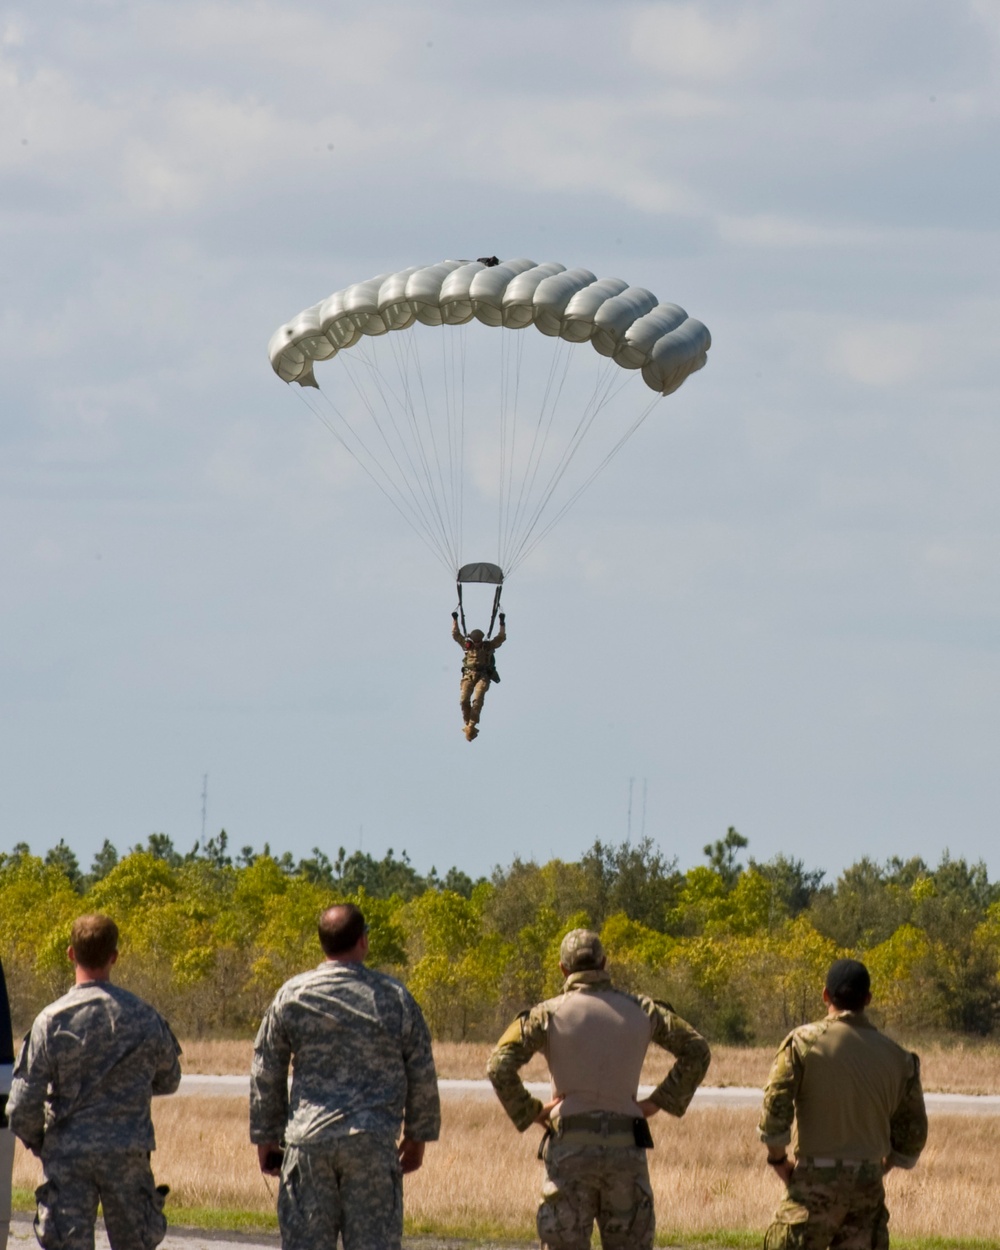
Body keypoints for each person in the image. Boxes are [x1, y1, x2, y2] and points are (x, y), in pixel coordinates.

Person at [487, 928, 711, 1250]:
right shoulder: (643, 1011)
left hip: (569, 1150)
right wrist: (657, 1101)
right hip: (626, 1148)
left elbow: (498, 1065)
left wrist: (533, 1112)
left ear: (563, 969)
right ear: (605, 962)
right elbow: (697, 1050)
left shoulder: (546, 1015)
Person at [250, 903, 440, 1250]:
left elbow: (266, 1068)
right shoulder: (394, 998)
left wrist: (267, 1136)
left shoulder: (292, 995)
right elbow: (422, 1070)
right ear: (363, 941)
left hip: (309, 1144)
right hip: (372, 1144)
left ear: (323, 944)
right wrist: (417, 1137)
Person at [6, 914, 181, 1250]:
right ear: (114, 956)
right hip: (127, 1153)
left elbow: (22, 1105)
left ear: (71, 954)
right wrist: (131, 1090)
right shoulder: (144, 1016)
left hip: (68, 1156)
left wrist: (43, 1144)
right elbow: (170, 1078)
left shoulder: (51, 1020)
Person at [759, 958, 928, 1250]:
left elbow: (775, 1107)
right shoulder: (899, 1057)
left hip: (812, 1182)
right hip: (868, 1187)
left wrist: (778, 1159)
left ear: (826, 995)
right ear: (868, 999)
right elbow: (913, 1134)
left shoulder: (802, 1043)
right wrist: (879, 1168)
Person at [451, 611, 506, 741]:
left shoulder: (487, 647)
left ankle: (472, 724)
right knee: (464, 700)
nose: (476, 644)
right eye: (474, 641)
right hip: (469, 675)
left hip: (483, 675)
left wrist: (502, 622)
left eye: (478, 641)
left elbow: (501, 637)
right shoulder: (467, 646)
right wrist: (455, 619)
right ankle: (467, 722)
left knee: (478, 699)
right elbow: (455, 634)